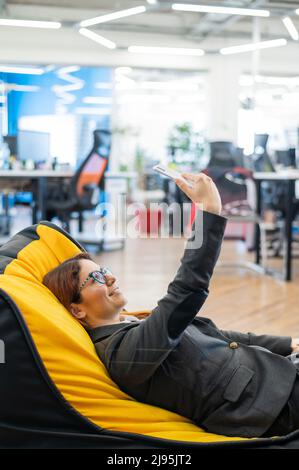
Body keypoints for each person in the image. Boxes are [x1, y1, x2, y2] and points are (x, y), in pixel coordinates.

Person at [43, 172, 299, 438]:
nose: (110, 277)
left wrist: (286, 343)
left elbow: (220, 337)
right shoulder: (121, 355)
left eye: (103, 269)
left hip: (275, 376)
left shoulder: (133, 323)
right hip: (267, 404)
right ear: (77, 309)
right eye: (95, 277)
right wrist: (209, 213)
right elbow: (186, 292)